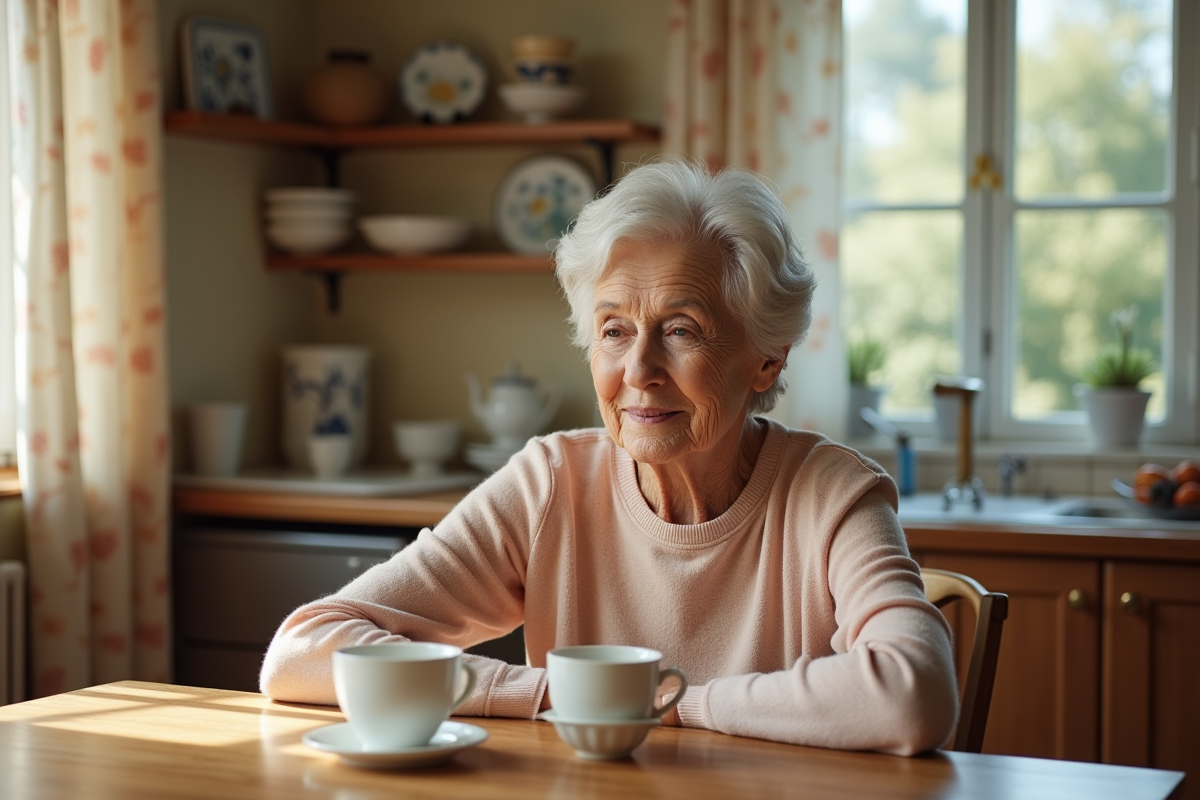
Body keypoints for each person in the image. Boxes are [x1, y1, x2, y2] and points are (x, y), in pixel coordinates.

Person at [260, 160, 958, 755]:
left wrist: (674, 703)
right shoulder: (552, 483)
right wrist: (553, 694)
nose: (638, 371)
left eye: (681, 330)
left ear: (767, 359)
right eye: (614, 330)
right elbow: (302, 651)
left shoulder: (833, 495)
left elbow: (913, 693)